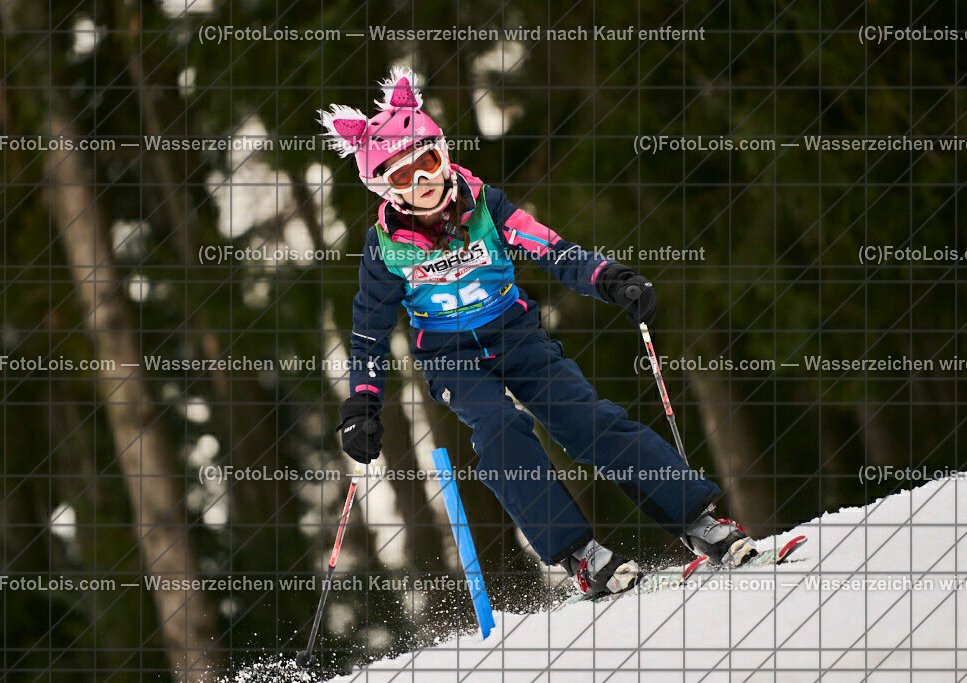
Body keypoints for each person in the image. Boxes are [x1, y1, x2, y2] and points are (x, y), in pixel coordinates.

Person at [318, 67, 756, 599]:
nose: (425, 181)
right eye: (404, 176)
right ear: (383, 188)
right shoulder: (383, 249)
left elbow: (550, 249)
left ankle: (697, 523)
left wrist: (610, 278)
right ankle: (581, 554)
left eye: (429, 161)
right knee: (499, 427)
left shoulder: (486, 206)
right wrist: (361, 406)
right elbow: (368, 332)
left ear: (443, 151)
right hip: (451, 355)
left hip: (516, 332)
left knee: (587, 419)